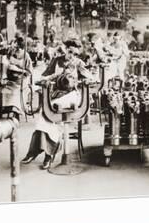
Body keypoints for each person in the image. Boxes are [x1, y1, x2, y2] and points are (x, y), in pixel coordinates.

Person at [21, 39, 95, 169]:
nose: (72, 56)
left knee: (50, 114)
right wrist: (47, 78)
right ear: (65, 49)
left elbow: (91, 78)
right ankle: (41, 152)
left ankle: (46, 155)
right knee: (45, 115)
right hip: (56, 94)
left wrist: (82, 81)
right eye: (70, 52)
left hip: (71, 95)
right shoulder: (56, 61)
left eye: (75, 54)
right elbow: (44, 75)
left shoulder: (78, 63)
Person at [0, 37, 33, 119]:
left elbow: (29, 72)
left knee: (15, 92)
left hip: (21, 80)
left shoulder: (26, 56)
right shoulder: (11, 53)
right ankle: (2, 108)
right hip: (11, 80)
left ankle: (16, 110)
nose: (15, 48)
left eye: (17, 46)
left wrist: (17, 69)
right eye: (14, 47)